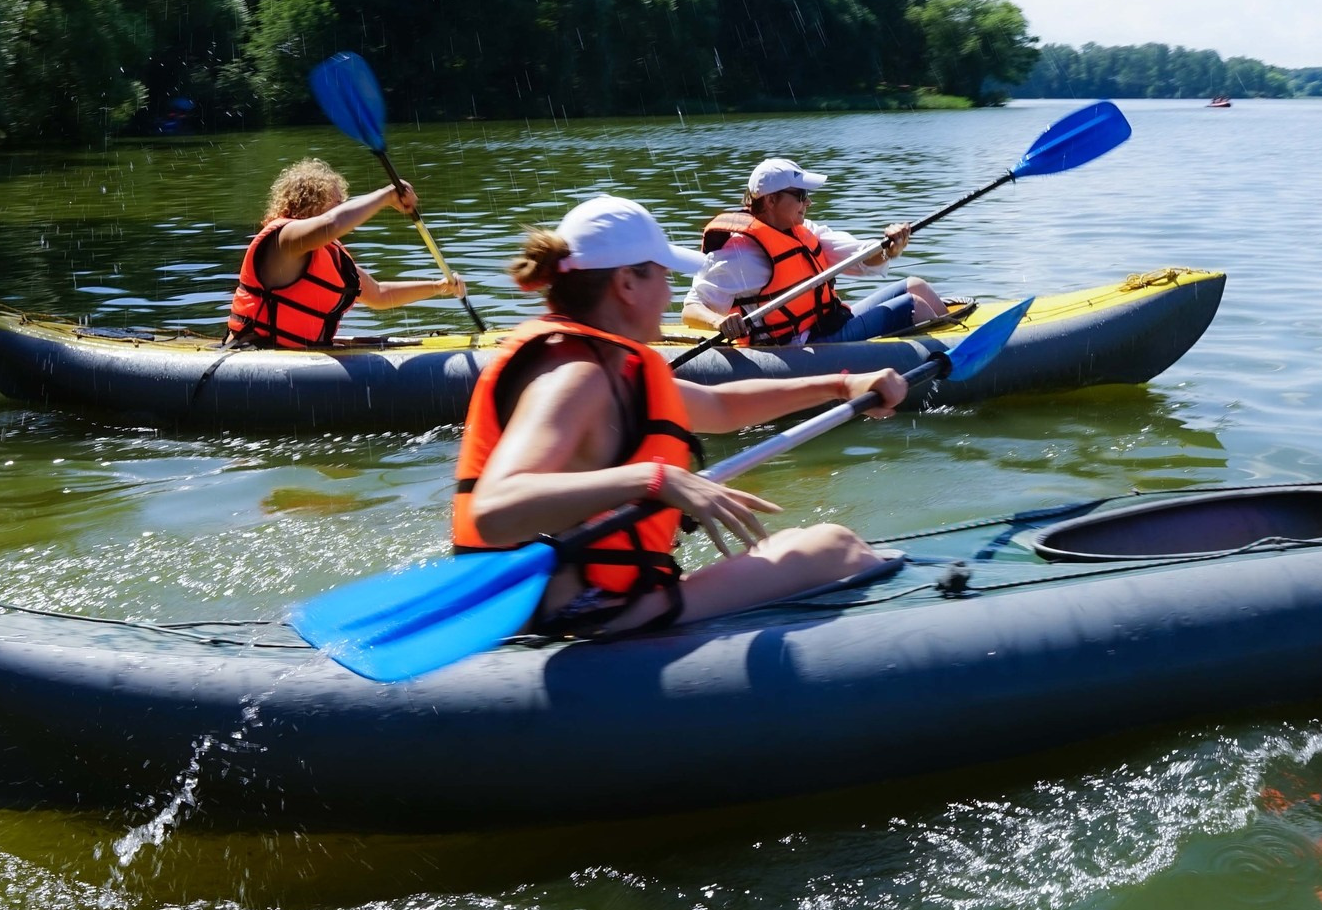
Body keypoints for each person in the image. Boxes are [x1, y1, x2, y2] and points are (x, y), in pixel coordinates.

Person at [454, 195, 909, 637]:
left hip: (598, 607)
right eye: (663, 276)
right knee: (832, 548)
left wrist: (841, 385)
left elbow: (722, 407)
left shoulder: (607, 367)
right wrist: (656, 480)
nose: (671, 292)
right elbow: (495, 509)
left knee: (815, 542)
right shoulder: (575, 376)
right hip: (582, 622)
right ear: (627, 284)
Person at [681, 157, 948, 346]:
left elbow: (861, 257)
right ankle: (957, 365)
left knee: (916, 286)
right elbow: (691, 308)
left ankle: (962, 339)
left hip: (828, 323)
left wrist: (890, 248)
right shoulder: (737, 254)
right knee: (914, 306)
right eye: (800, 195)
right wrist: (718, 323)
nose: (808, 201)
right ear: (771, 200)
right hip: (800, 346)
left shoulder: (805, 230)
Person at [224, 159, 465, 348]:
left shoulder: (329, 256)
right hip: (254, 355)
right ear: (311, 203)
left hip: (300, 359)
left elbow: (379, 295)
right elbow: (333, 223)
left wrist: (438, 287)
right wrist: (387, 195)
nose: (343, 206)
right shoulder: (284, 241)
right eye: (337, 201)